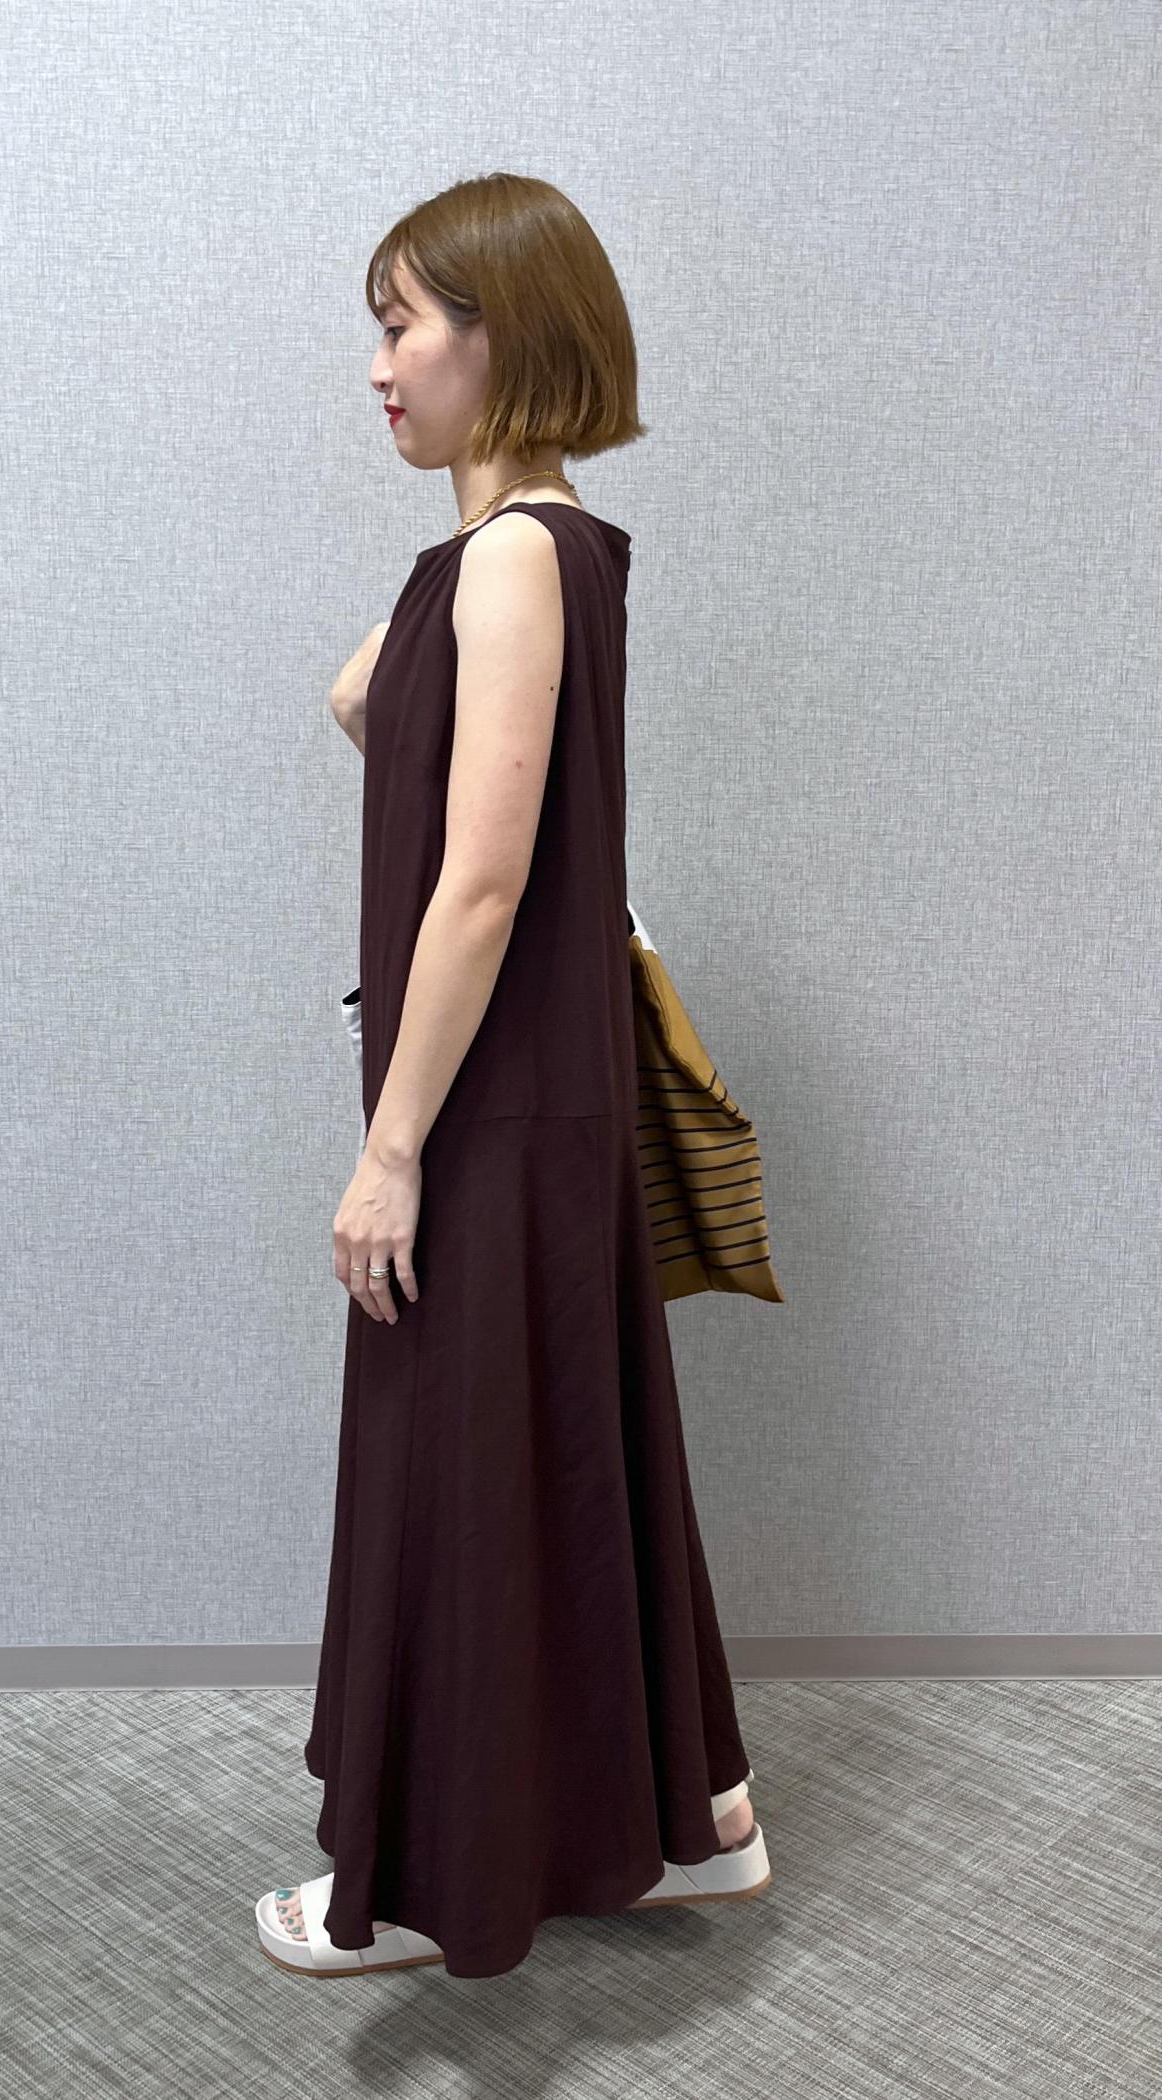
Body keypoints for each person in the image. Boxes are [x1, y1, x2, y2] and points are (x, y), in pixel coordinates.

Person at [255, 171, 769, 1980]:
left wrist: (392, 1146)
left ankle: (428, 1896)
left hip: (485, 1105)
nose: (377, 368)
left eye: (403, 325)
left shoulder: (517, 559)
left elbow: (480, 884)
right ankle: (699, 1824)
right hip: (532, 1091)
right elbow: (372, 710)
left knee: (463, 1475)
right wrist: (415, 636)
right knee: (563, 1450)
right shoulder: (525, 554)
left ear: (505, 337)